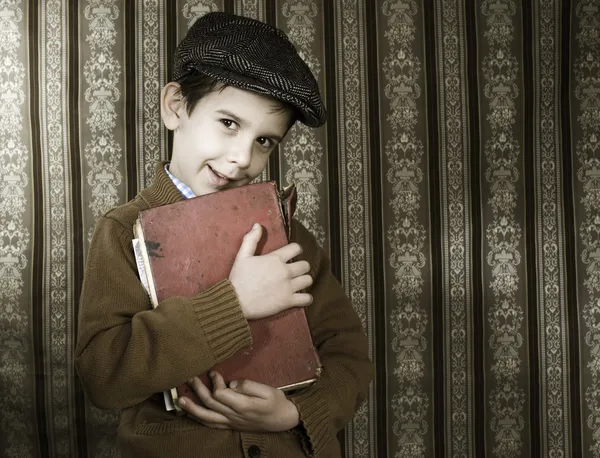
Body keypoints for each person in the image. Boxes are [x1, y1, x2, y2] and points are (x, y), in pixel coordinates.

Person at [75, 11, 372, 458]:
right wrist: (234, 305)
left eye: (265, 141)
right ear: (176, 106)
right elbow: (104, 376)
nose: (241, 158)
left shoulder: (288, 235)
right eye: (229, 123)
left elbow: (349, 356)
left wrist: (295, 412)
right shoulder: (123, 232)